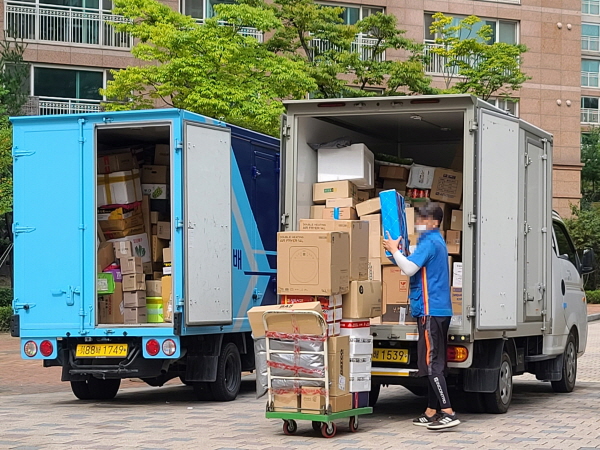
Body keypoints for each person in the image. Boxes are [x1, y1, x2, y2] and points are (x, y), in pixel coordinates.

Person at [383, 202, 460, 430]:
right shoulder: (434, 241)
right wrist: (398, 252)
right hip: (436, 310)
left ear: (435, 222)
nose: (419, 223)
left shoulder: (430, 242)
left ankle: (447, 411)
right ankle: (431, 411)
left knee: (432, 363)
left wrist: (394, 249)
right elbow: (411, 263)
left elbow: (408, 269)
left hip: (430, 310)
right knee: (433, 362)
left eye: (423, 219)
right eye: (418, 219)